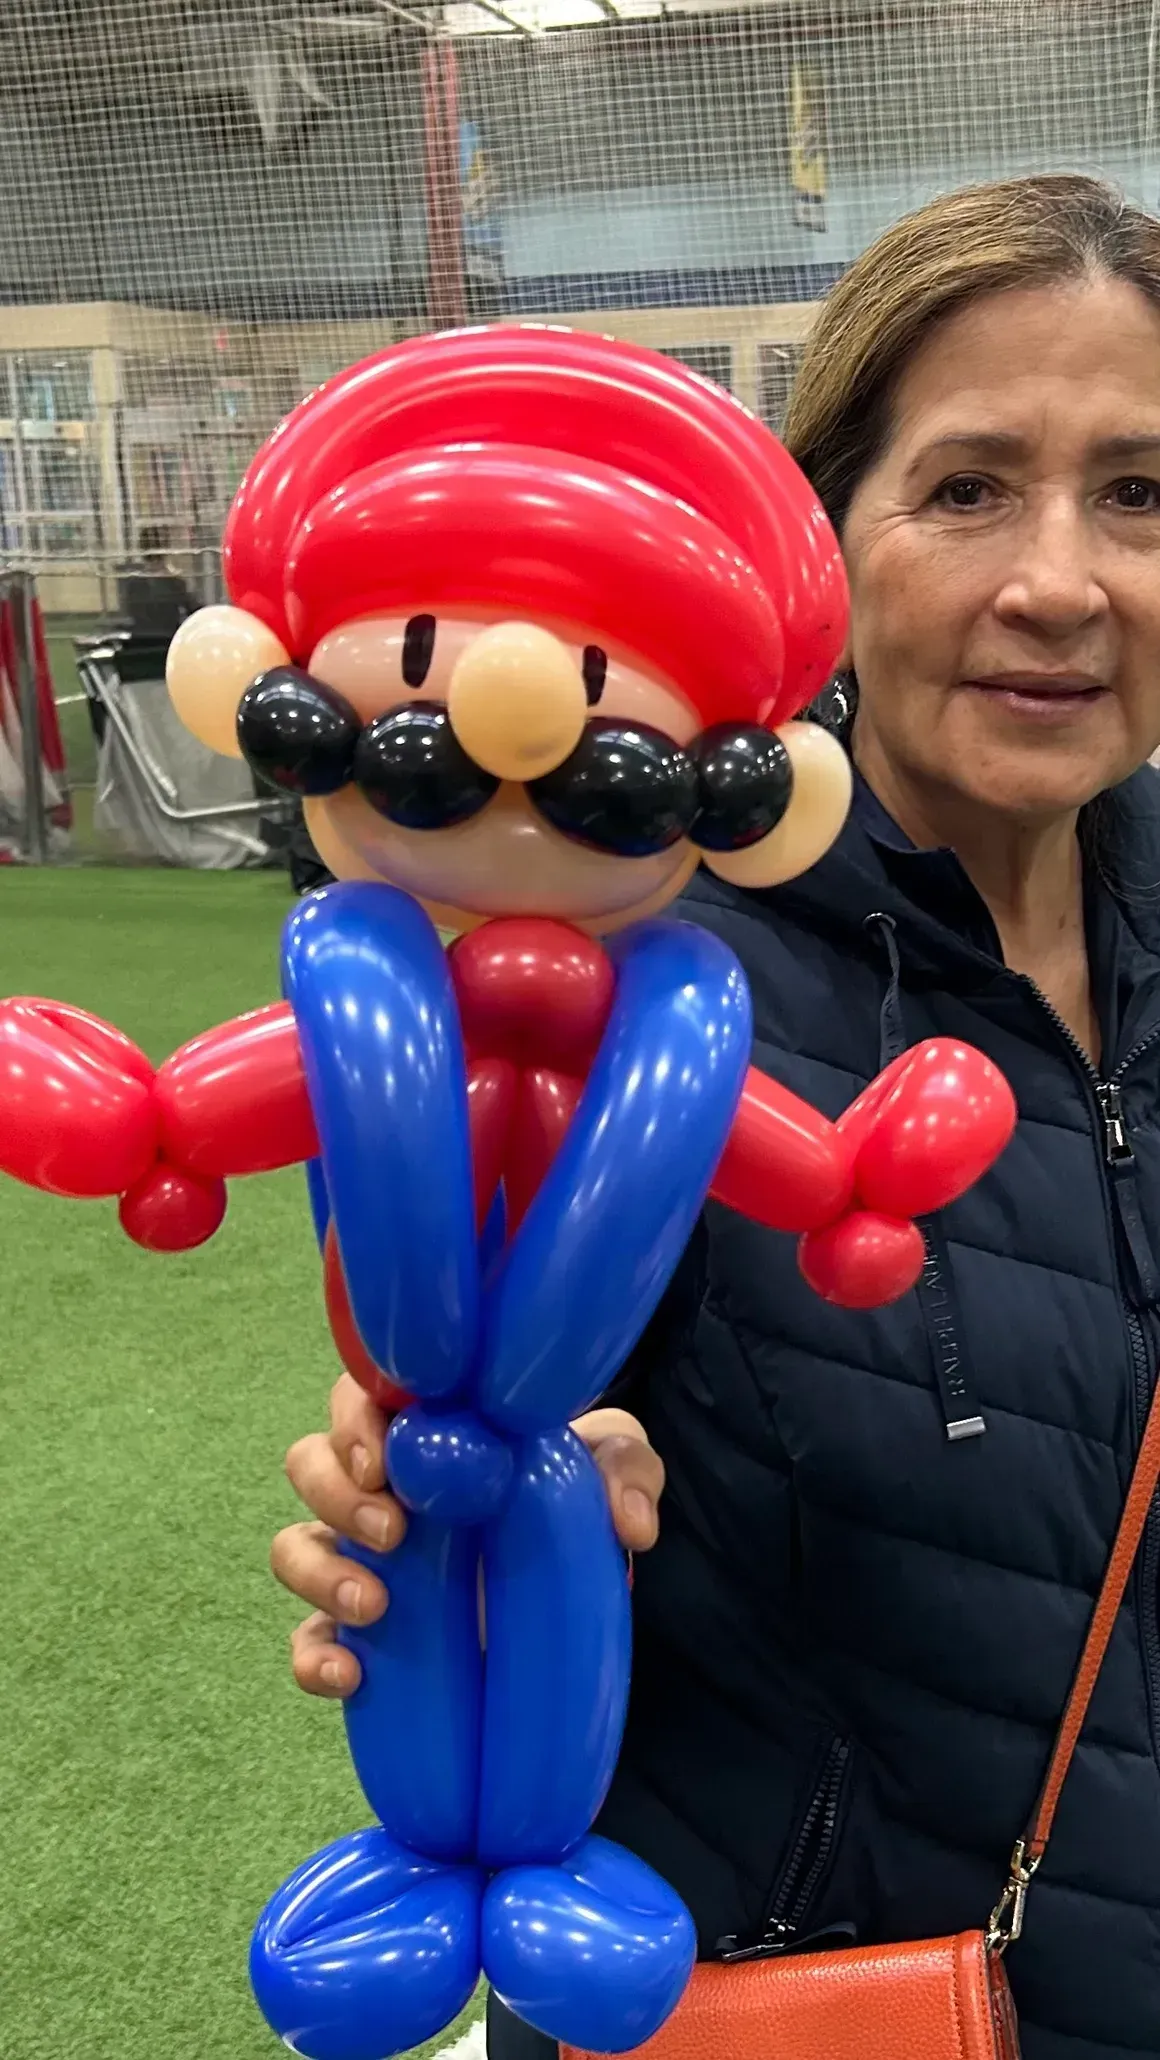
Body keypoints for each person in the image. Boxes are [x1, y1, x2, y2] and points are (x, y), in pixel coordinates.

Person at [269, 174, 1160, 2060]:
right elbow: (467, 1379)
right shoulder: (617, 969)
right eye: (970, 485)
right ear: (825, 547)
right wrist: (503, 1498)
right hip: (810, 2001)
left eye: (1141, 494)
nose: (1063, 581)